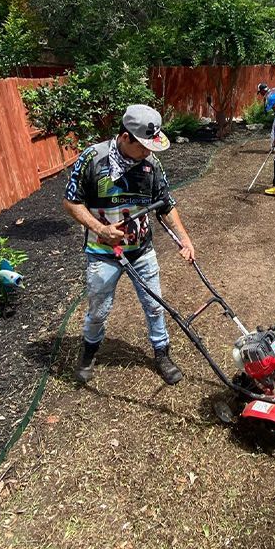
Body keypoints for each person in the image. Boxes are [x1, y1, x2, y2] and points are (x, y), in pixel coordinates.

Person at [63, 104, 195, 386]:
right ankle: (88, 353)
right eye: (143, 146)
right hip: (103, 253)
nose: (148, 152)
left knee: (155, 305)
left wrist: (183, 238)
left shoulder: (151, 165)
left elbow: (166, 205)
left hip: (142, 250)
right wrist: (100, 229)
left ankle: (162, 353)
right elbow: (71, 201)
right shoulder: (92, 159)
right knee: (99, 308)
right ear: (125, 138)